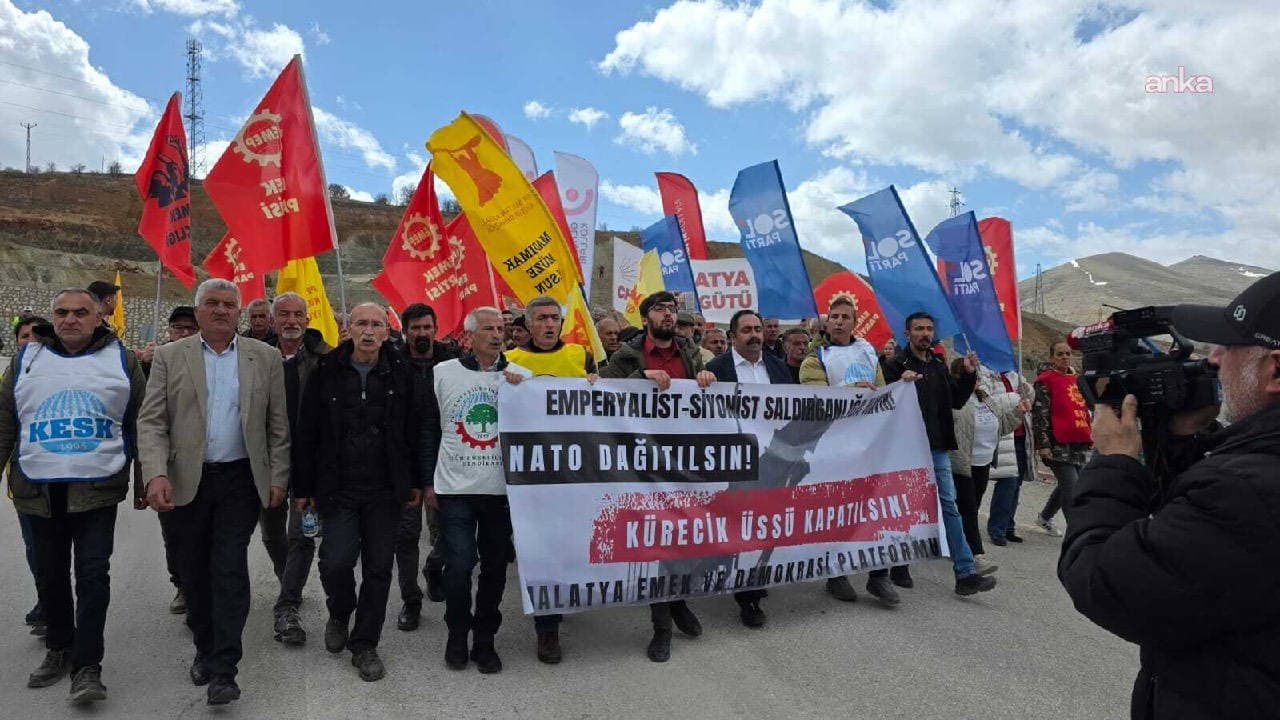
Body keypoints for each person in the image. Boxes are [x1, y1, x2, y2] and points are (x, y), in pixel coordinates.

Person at [1058, 272, 1280, 719]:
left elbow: (1108, 583)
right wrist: (1181, 440)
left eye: (1227, 347)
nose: (1213, 360)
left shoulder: (1246, 491)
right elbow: (1204, 546)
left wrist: (1116, 460)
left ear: (1274, 370)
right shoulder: (1248, 473)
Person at [137, 278, 290, 706]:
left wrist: (279, 476)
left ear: (239, 312)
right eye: (212, 304)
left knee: (229, 568)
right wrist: (155, 474)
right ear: (199, 310)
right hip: (186, 480)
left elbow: (278, 425)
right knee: (193, 572)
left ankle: (225, 668)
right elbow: (152, 422)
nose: (221, 310)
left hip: (240, 480)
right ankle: (204, 647)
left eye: (228, 304)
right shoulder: (170, 356)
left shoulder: (266, 358)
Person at [0, 289, 145, 705]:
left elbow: (140, 423)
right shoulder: (25, 360)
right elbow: (6, 421)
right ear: (52, 316)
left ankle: (88, 666)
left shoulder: (123, 360)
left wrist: (145, 480)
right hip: (38, 491)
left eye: (81, 312)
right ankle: (60, 648)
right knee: (49, 576)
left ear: (98, 316)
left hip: (96, 491)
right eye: (62, 312)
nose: (70, 320)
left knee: (93, 577)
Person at [293, 303, 424, 682]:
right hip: (338, 488)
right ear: (347, 329)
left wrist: (414, 481)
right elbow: (307, 432)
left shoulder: (403, 373)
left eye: (377, 324)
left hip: (386, 490)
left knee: (380, 569)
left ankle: (365, 643)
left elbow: (414, 432)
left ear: (387, 331)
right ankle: (339, 610)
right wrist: (303, 488)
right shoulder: (326, 371)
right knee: (336, 561)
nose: (369, 331)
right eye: (361, 323)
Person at [600, 291, 716, 662]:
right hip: (642, 463)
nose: (668, 315)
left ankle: (677, 601)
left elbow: (700, 395)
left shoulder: (689, 349)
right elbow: (601, 391)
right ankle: (662, 625)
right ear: (646, 316)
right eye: (660, 310)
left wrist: (704, 377)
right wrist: (639, 377)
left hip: (683, 460)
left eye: (672, 310)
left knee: (682, 537)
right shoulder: (626, 354)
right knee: (657, 540)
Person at [423, 306, 524, 674]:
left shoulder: (518, 376)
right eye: (488, 329)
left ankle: (484, 640)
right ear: (470, 335)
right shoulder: (443, 373)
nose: (497, 335)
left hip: (500, 492)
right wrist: (427, 480)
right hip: (455, 489)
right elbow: (427, 428)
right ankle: (456, 634)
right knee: (460, 564)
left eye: (501, 328)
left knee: (496, 566)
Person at [504, 295, 598, 664]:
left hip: (575, 471)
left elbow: (601, 407)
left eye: (554, 318)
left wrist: (596, 384)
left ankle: (568, 597)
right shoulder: (511, 362)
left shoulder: (579, 356)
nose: (548, 324)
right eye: (541, 318)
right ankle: (547, 630)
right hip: (532, 475)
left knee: (572, 541)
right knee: (539, 548)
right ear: (527, 325)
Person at [882, 312, 997, 597]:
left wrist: (969, 375)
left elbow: (955, 401)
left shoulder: (937, 364)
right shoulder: (894, 364)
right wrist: (899, 382)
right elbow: (883, 402)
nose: (925, 333)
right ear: (906, 333)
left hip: (937, 447)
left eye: (929, 329)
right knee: (906, 509)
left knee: (949, 507)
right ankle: (898, 564)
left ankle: (965, 573)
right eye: (919, 329)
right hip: (905, 449)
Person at [799, 293, 891, 603]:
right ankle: (836, 575)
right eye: (834, 317)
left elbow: (881, 392)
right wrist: (853, 391)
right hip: (833, 447)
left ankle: (879, 576)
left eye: (845, 317)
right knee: (837, 513)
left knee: (875, 510)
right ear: (827, 320)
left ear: (854, 321)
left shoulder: (868, 353)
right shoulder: (815, 359)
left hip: (867, 443)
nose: (839, 322)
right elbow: (817, 400)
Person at [706, 309, 794, 627]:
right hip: (737, 460)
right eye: (747, 330)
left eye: (758, 328)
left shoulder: (778, 367)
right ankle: (745, 591)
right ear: (733, 336)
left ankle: (752, 587)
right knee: (741, 523)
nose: (755, 334)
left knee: (766, 522)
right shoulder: (716, 369)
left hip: (774, 459)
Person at [265, 292, 332, 647]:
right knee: (271, 531)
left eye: (298, 314)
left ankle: (287, 605)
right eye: (284, 314)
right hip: (264, 459)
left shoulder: (327, 359)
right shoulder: (255, 355)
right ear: (273, 319)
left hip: (309, 460)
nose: (291, 320)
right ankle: (286, 576)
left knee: (301, 535)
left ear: (307, 319)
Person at [392, 303, 457, 633]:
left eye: (426, 327)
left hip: (445, 458)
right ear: (405, 331)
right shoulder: (391, 361)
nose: (421, 333)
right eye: (414, 328)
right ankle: (411, 600)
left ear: (436, 328)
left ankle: (434, 567)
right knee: (405, 537)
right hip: (403, 462)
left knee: (447, 529)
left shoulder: (452, 360)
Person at [948, 360, 1027, 567]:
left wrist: (1017, 412)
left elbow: (1002, 427)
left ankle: (955, 542)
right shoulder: (956, 401)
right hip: (962, 463)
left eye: (978, 377)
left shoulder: (986, 399)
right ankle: (975, 554)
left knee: (971, 505)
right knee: (968, 508)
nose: (979, 381)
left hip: (984, 462)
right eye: (974, 376)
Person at [154, 305, 200, 617]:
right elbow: (145, 424)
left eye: (189, 328)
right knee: (174, 534)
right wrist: (150, 475)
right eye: (177, 328)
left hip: (209, 468)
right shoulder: (155, 363)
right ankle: (182, 585)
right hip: (169, 469)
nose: (182, 333)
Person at [8, 315, 50, 636]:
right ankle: (47, 601)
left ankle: (57, 603)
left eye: (38, 335)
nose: (32, 340)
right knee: (34, 545)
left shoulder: (64, 372)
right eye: (25, 336)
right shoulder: (11, 376)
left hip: (63, 478)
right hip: (25, 480)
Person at [1031, 340, 1093, 536]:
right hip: (1057, 443)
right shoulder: (1045, 380)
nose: (1065, 357)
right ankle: (1076, 532)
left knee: (1069, 484)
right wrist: (1043, 445)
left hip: (1078, 441)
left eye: (1067, 353)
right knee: (1072, 487)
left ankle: (1045, 517)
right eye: (1060, 354)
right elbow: (1040, 414)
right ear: (1052, 358)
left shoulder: (1077, 379)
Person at [984, 367, 1032, 547]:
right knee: (1007, 482)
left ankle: (1008, 525)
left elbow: (1028, 400)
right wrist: (1014, 398)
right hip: (1003, 435)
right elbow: (989, 402)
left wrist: (1028, 391)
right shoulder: (985, 374)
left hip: (1020, 434)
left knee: (1015, 484)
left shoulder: (1015, 375)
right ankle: (997, 528)